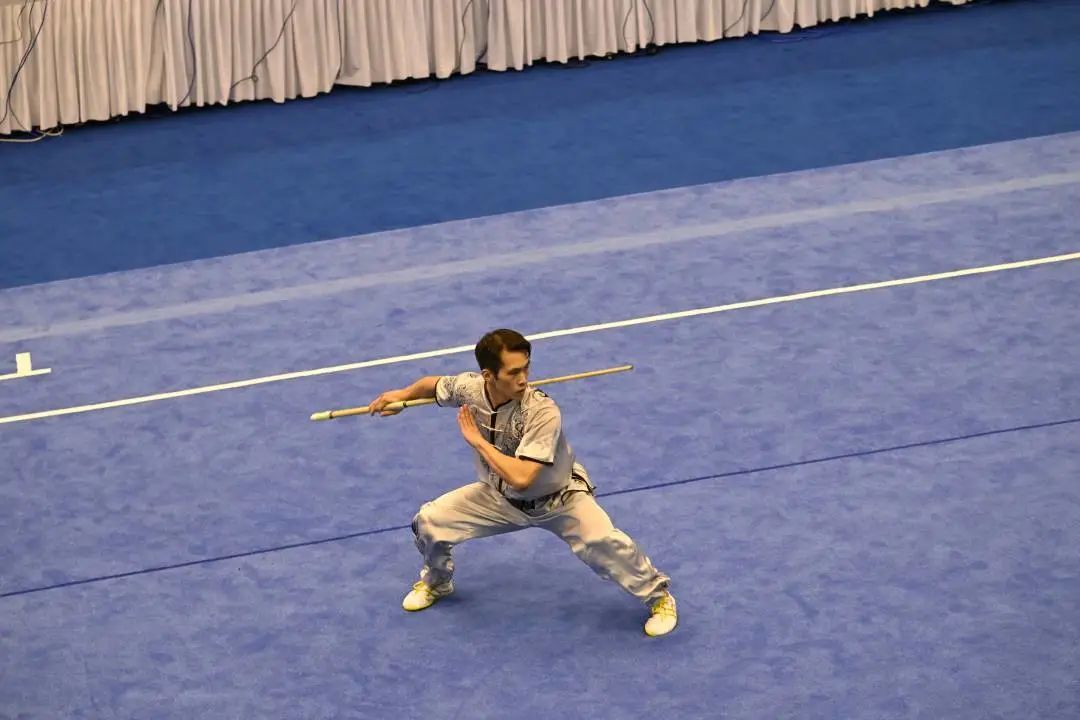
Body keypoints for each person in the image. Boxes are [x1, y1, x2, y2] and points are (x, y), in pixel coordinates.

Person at [368, 328, 677, 637]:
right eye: (513, 372)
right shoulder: (470, 388)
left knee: (604, 541)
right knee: (430, 521)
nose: (523, 379)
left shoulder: (542, 411)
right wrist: (400, 396)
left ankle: (659, 598)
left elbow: (523, 477)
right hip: (500, 499)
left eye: (526, 368)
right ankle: (437, 582)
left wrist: (479, 442)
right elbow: (432, 384)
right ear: (488, 375)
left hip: (559, 499)